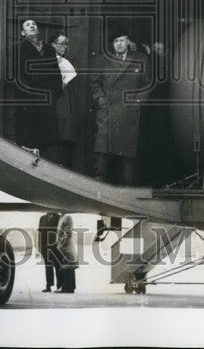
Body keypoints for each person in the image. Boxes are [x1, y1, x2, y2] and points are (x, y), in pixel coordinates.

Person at [91, 33, 151, 185]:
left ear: (128, 42)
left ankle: (127, 186)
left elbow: (146, 84)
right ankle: (99, 181)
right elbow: (95, 82)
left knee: (127, 150)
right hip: (108, 109)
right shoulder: (103, 59)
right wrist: (101, 98)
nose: (119, 44)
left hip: (129, 111)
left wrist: (137, 102)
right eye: (116, 41)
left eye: (122, 40)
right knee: (102, 146)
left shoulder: (140, 59)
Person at [11, 19, 63, 157]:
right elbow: (13, 74)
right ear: (23, 32)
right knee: (28, 140)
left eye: (34, 24)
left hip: (46, 100)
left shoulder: (48, 49)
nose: (32, 26)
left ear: (38, 30)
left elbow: (56, 73)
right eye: (28, 25)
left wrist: (55, 93)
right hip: (27, 100)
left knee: (44, 140)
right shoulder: (17, 49)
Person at [50, 32, 78, 169]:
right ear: (53, 44)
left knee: (62, 135)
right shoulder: (48, 60)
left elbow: (63, 86)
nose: (65, 47)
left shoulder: (65, 63)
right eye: (62, 44)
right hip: (51, 103)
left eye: (66, 44)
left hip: (62, 104)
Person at [37, 211, 62, 292]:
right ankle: (48, 286)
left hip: (56, 247)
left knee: (58, 266)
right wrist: (39, 247)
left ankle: (59, 285)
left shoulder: (59, 217)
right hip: (45, 247)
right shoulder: (42, 218)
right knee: (48, 267)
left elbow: (61, 233)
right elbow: (40, 233)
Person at [55, 212, 78, 293]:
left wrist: (60, 242)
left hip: (66, 245)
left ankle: (68, 288)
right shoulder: (63, 217)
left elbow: (67, 233)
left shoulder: (67, 217)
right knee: (67, 267)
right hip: (64, 246)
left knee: (69, 267)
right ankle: (67, 288)